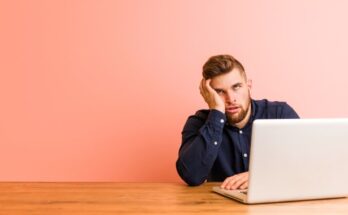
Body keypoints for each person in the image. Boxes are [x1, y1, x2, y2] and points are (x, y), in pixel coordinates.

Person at [176, 54, 299, 190]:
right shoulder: (199, 123)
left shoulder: (279, 114)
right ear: (208, 94)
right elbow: (191, 176)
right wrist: (216, 112)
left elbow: (306, 162)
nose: (230, 98)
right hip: (222, 208)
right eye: (220, 92)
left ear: (248, 85)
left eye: (236, 87)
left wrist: (260, 176)